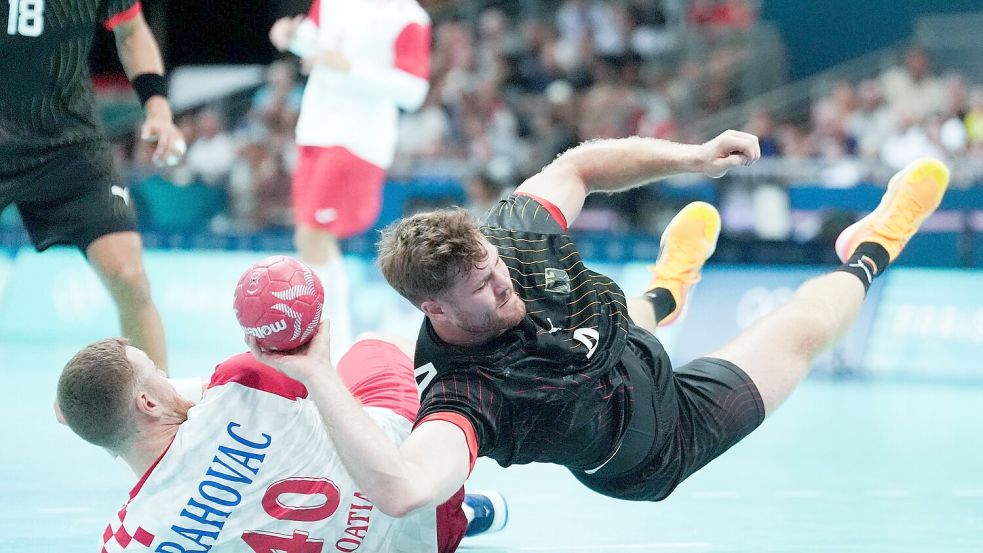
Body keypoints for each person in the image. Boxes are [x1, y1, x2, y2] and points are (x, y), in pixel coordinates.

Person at [250, 130, 949, 516]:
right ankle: (869, 249)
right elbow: (400, 489)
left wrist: (691, 157)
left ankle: (668, 290)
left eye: (496, 266)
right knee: (802, 326)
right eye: (484, 291)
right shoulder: (468, 397)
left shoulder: (512, 242)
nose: (505, 286)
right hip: (656, 441)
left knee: (618, 327)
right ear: (434, 308)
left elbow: (578, 164)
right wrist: (313, 371)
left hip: (614, 339)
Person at [56, 334, 507, 552]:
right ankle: (466, 506)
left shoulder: (125, 541)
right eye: (156, 370)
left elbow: (130, 423)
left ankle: (469, 515)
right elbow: (297, 382)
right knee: (371, 349)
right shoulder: (241, 387)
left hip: (426, 545)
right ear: (148, 402)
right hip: (419, 488)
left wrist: (88, 412)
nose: (165, 377)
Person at [1, 0, 185, 371]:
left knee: (131, 279)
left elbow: (131, 31)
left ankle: (158, 416)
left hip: (69, 146)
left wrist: (159, 111)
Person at [268, 0, 432, 359]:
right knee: (310, 238)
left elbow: (414, 91)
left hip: (357, 138)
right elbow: (316, 46)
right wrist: (290, 37)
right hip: (314, 130)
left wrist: (350, 68)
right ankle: (330, 342)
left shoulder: (408, 18)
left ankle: (331, 346)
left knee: (312, 235)